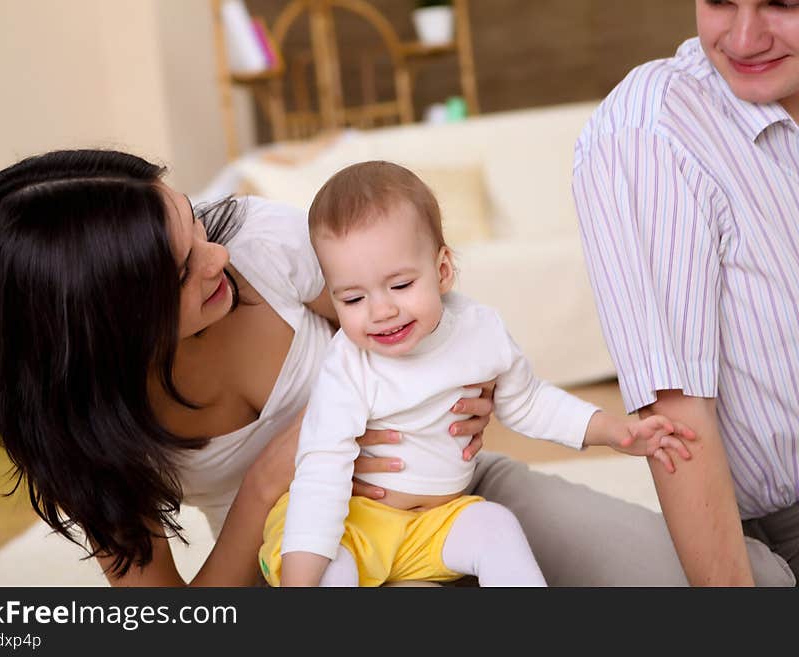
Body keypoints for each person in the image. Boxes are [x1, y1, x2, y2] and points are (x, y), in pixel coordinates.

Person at [0, 149, 493, 586]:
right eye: (181, 272)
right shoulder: (77, 433)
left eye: (193, 222)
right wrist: (264, 483)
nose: (216, 258)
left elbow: (427, 324)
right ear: (108, 329)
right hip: (297, 560)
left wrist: (472, 387)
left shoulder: (259, 243)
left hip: (443, 497)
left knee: (567, 541)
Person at [259, 161, 696, 587]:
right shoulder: (348, 365)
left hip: (434, 524)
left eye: (400, 286)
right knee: (330, 569)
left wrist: (614, 431)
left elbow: (529, 401)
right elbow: (322, 472)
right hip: (355, 526)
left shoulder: (479, 333)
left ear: (443, 269)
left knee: (493, 524)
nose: (381, 311)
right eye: (353, 299)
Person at [573, 0, 799, 586]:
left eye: (785, 4)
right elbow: (676, 412)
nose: (745, 38)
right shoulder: (654, 131)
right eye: (720, 0)